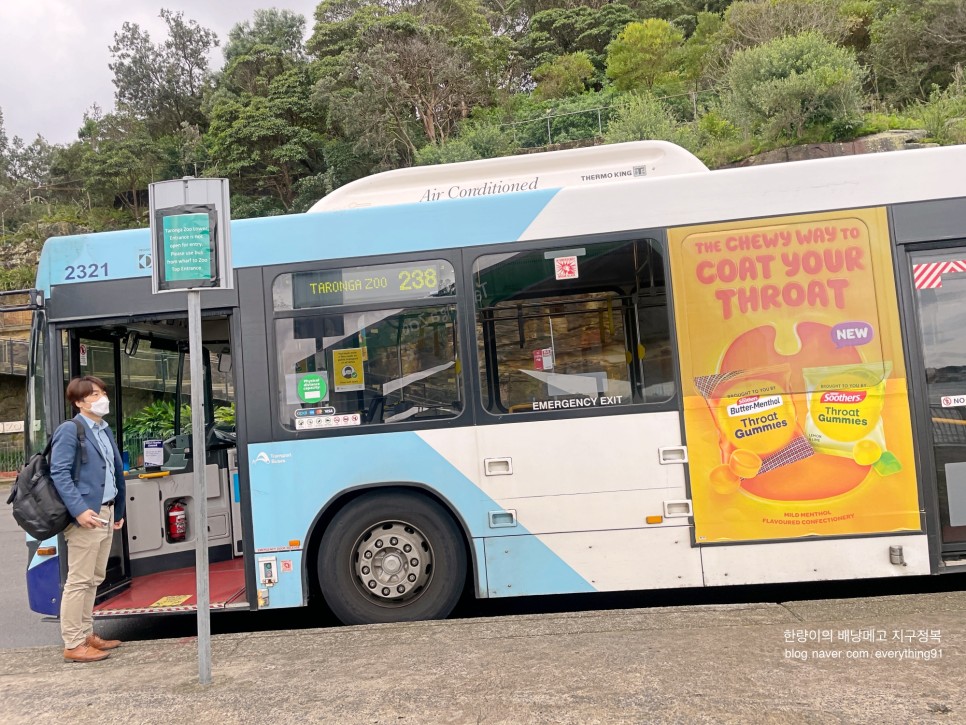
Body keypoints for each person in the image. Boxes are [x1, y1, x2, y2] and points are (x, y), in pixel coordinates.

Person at [50, 375, 127, 663]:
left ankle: (86, 634)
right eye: (95, 394)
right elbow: (59, 473)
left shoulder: (103, 429)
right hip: (87, 514)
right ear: (80, 401)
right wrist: (79, 510)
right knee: (79, 580)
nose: (102, 397)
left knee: (95, 577)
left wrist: (117, 510)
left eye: (103, 392)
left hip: (105, 511)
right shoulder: (71, 430)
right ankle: (73, 643)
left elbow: (113, 472)